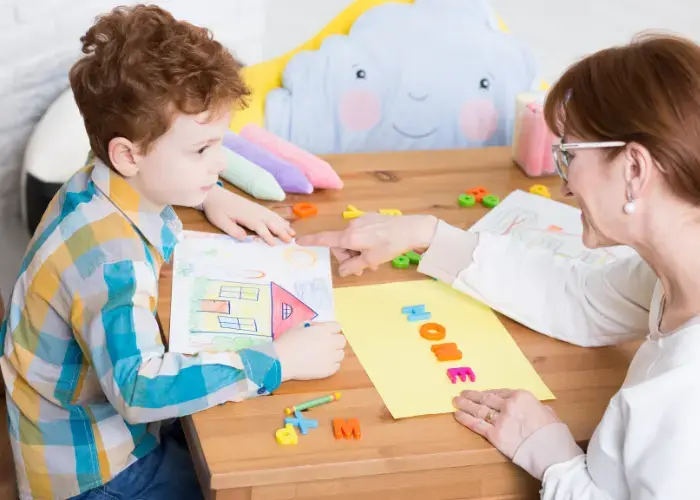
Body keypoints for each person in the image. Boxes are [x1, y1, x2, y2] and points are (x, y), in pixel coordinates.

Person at [298, 32, 700, 499]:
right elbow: (583, 299)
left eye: (568, 156)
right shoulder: (676, 268)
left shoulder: (684, 391)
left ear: (635, 168)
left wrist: (555, 460)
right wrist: (426, 235)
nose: (562, 184)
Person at [0, 5, 346, 500]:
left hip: (74, 432)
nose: (220, 162)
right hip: (97, 472)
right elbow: (141, 390)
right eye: (201, 150)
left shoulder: (99, 177)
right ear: (129, 154)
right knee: (252, 478)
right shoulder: (111, 262)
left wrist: (210, 192)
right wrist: (278, 361)